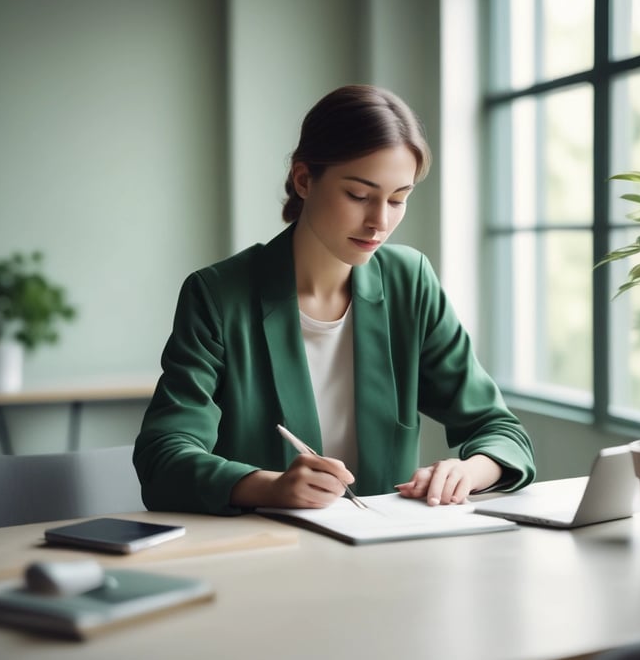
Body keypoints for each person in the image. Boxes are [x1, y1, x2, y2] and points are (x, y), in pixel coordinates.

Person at [133, 84, 535, 516]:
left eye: (398, 199)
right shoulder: (217, 296)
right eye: (359, 196)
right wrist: (270, 486)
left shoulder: (410, 282)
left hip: (387, 552)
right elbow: (163, 456)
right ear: (304, 180)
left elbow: (499, 429)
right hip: (264, 553)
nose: (379, 222)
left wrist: (469, 471)